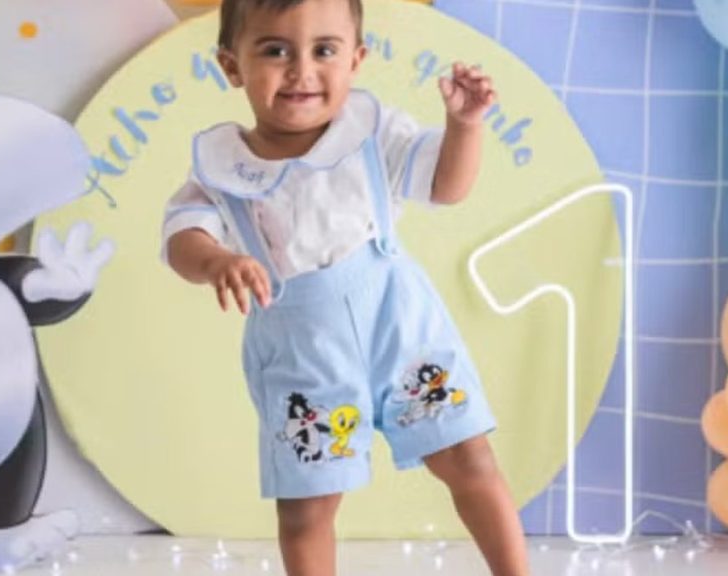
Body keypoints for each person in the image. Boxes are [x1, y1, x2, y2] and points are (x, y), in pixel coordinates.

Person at [161, 0, 529, 574]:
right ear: (232, 66)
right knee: (305, 509)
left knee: (468, 458)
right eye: (275, 50)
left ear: (355, 60)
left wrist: (464, 126)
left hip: (400, 328)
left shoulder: (371, 134)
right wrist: (215, 261)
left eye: (324, 50)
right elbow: (182, 237)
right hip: (302, 352)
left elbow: (446, 186)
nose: (301, 71)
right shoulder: (225, 167)